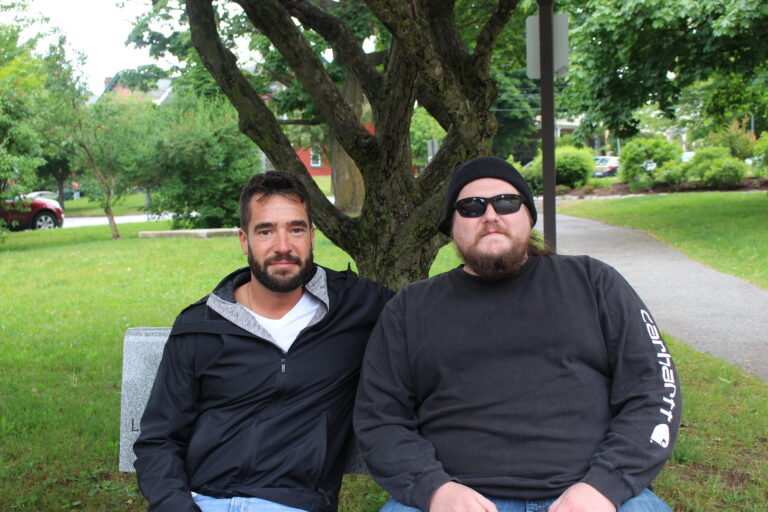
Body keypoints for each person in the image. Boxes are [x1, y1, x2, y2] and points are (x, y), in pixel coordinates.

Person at [354, 156, 681, 512]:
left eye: (507, 203)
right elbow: (381, 418)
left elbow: (654, 389)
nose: (490, 215)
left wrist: (604, 487)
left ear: (529, 217)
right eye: (471, 207)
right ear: (451, 227)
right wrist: (435, 491)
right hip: (455, 498)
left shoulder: (594, 282)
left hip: (591, 494)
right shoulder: (409, 309)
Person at [134, 171, 393, 512]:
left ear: (312, 236)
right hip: (202, 503)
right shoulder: (201, 327)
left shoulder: (354, 307)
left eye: (296, 229)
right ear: (244, 240)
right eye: (266, 230)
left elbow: (430, 318)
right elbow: (158, 441)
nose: (283, 246)